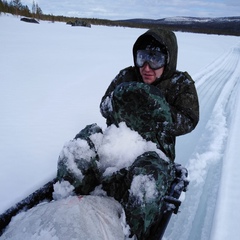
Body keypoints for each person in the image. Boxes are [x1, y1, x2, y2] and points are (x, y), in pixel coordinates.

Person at [57, 28, 199, 239]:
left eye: (156, 59)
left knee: (146, 179)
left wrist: (158, 116)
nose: (146, 67)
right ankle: (65, 205)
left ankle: (129, 232)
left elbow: (189, 118)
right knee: (80, 148)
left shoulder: (180, 84)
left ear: (168, 61)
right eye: (142, 58)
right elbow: (105, 105)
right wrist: (122, 103)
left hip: (153, 148)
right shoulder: (127, 75)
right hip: (115, 141)